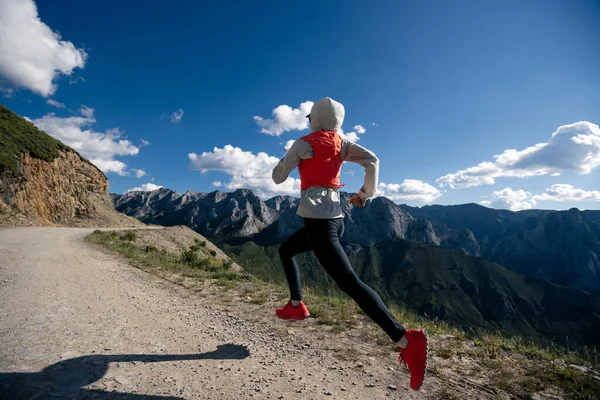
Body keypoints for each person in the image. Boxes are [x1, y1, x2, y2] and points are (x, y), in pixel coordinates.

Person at [271, 97, 428, 391]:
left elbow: (278, 178)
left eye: (310, 118)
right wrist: (365, 194)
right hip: (335, 219)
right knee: (286, 249)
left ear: (315, 118)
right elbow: (373, 160)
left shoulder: (303, 144)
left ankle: (406, 339)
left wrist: (285, 159)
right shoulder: (342, 144)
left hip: (319, 223)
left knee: (350, 283)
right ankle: (296, 305)